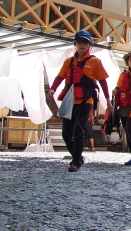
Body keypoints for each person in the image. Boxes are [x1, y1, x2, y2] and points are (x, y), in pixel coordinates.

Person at [47, 30, 112, 172]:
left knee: (78, 131)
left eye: (85, 42)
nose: (82, 45)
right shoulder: (68, 62)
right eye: (79, 42)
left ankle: (75, 161)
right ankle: (78, 157)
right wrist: (52, 89)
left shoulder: (95, 62)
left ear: (90, 45)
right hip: (69, 102)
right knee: (65, 133)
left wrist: (108, 101)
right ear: (75, 44)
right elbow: (60, 77)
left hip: (85, 102)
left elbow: (103, 81)